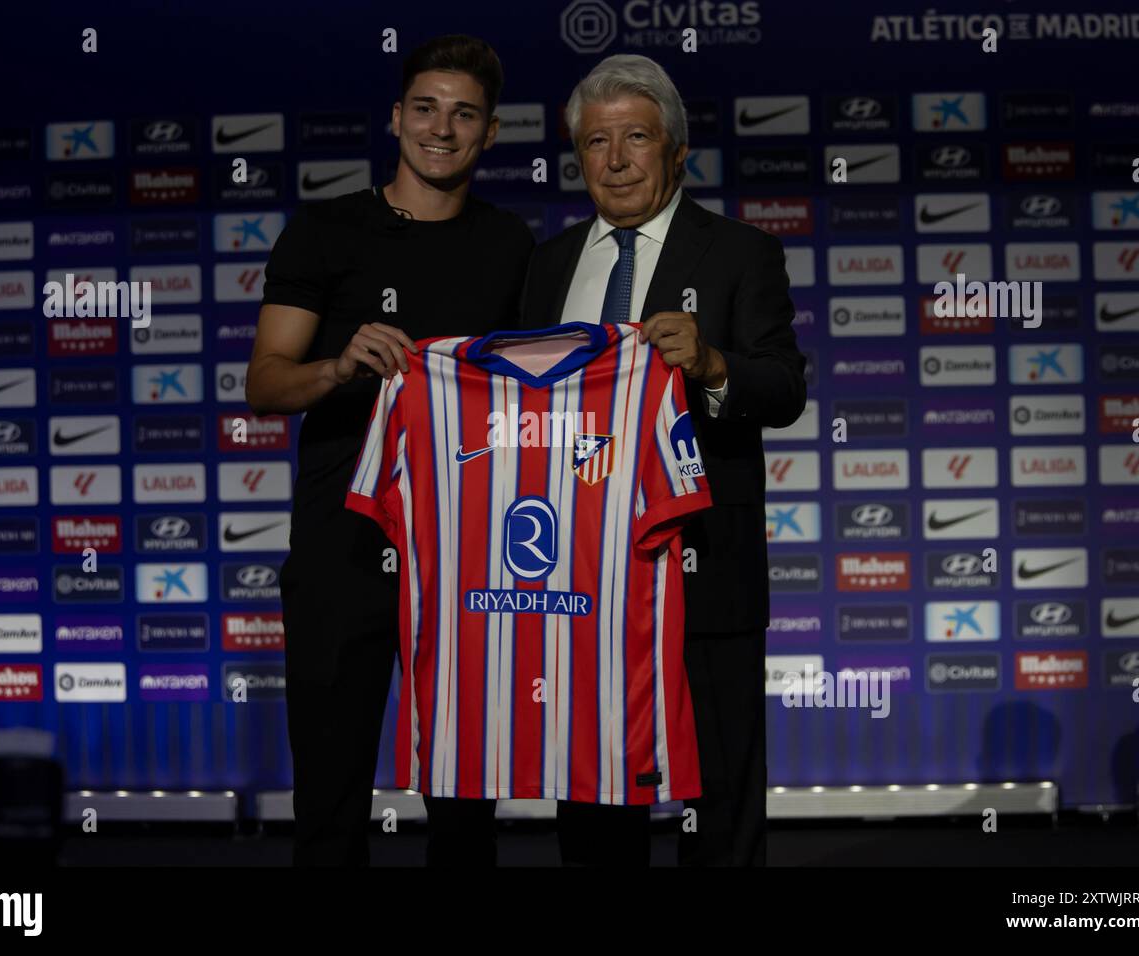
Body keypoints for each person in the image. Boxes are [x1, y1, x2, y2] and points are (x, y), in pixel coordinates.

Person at [246, 34, 534, 866]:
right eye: (426, 107)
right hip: (343, 542)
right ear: (396, 118)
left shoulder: (514, 245)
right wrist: (338, 366)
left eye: (464, 114)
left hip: (469, 552)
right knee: (331, 791)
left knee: (464, 799)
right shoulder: (325, 228)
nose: (441, 128)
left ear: (489, 133)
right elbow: (264, 384)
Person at [521, 54, 807, 865]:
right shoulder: (547, 264)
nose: (613, 160)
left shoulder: (741, 253)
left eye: (635, 138)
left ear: (676, 152)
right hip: (577, 580)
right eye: (594, 143)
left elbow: (785, 387)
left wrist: (715, 365)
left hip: (702, 568)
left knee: (719, 798)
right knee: (594, 801)